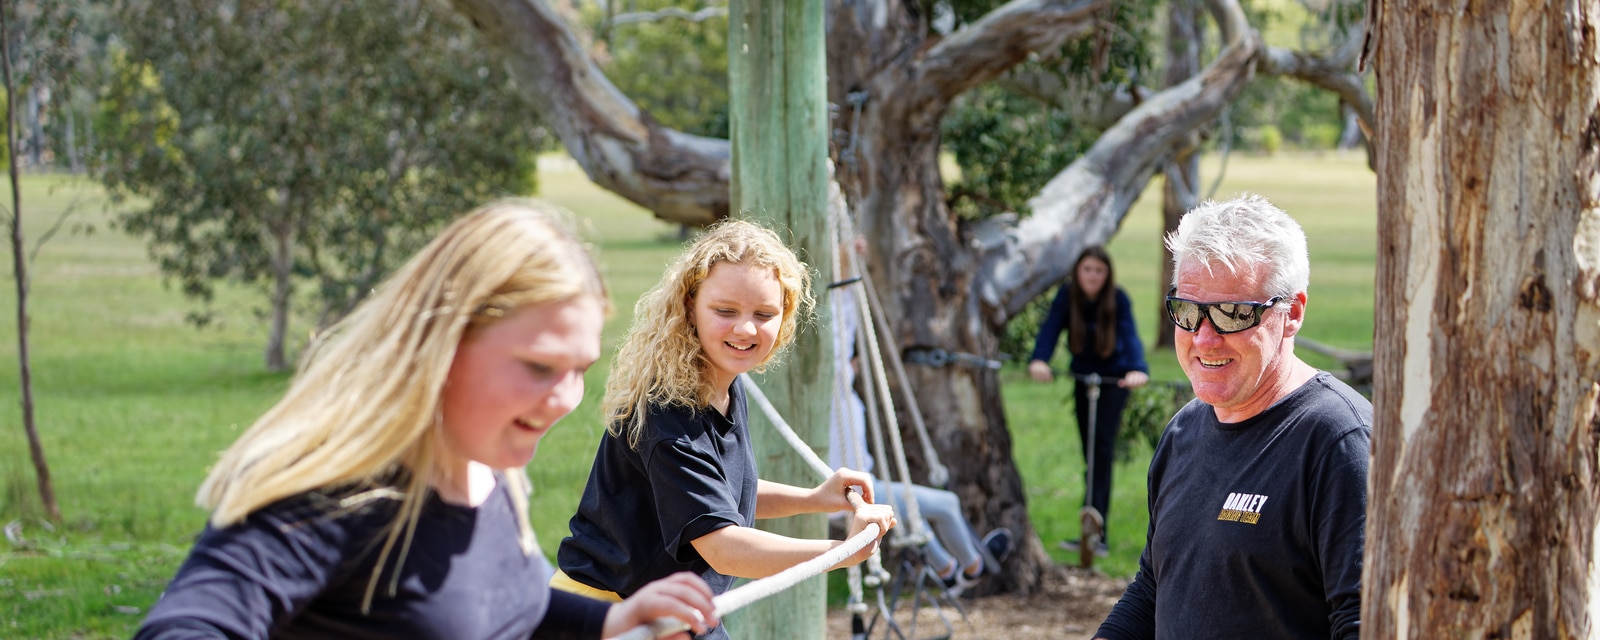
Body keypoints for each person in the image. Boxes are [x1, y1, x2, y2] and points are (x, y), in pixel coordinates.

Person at [134, 200, 718, 640]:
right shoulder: (338, 495)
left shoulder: (484, 471)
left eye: (579, 369)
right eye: (538, 366)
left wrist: (611, 620)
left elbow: (510, 603)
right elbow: (185, 626)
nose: (565, 399)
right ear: (443, 346)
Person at [555, 219, 896, 640]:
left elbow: (720, 494)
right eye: (726, 311)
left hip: (673, 610)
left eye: (764, 314)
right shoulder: (667, 415)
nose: (746, 328)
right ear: (689, 306)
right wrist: (839, 553)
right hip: (610, 615)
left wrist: (814, 499)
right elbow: (723, 546)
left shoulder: (726, 386)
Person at [1094, 194, 1370, 640]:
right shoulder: (1184, 430)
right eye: (1187, 312)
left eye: (1233, 314)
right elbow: (1153, 589)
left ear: (1292, 313)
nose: (1204, 339)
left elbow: (1363, 623)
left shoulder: (1341, 444)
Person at [827, 240, 1011, 592]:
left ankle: (948, 571)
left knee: (911, 513)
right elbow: (839, 326)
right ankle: (970, 568)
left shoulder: (842, 393)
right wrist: (846, 270)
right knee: (945, 503)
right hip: (851, 493)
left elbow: (840, 341)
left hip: (859, 489)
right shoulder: (835, 393)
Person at [1027, 245, 1149, 554]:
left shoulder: (1117, 299)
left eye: (1099, 271)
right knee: (1089, 453)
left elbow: (1130, 337)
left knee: (1101, 453)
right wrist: (1039, 358)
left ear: (1107, 275)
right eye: (1087, 270)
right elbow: (1050, 329)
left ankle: (1099, 534)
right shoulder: (1068, 297)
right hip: (1083, 380)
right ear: (1077, 272)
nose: (1092, 276)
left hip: (1113, 380)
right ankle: (1088, 528)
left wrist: (1138, 369)